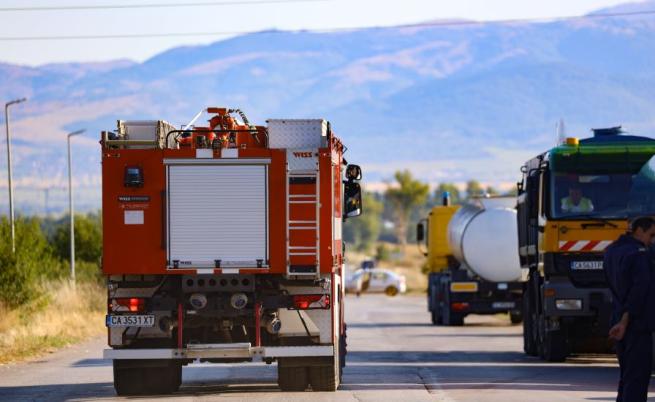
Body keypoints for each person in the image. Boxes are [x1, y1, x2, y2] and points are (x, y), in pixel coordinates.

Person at [604, 216, 655, 402]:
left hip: (618, 321)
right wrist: (626, 320)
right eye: (651, 235)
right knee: (637, 379)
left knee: (626, 377)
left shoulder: (611, 251)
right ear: (639, 231)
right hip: (636, 324)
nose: (652, 240)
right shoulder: (639, 255)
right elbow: (639, 291)